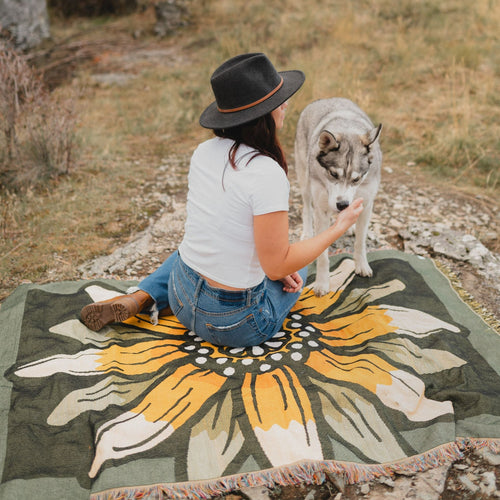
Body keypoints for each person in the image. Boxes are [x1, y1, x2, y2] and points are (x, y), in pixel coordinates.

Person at [80, 52, 364, 347]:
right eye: (278, 101)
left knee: (193, 250)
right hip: (234, 325)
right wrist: (337, 227)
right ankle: (146, 297)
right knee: (299, 263)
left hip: (181, 298)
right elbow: (277, 267)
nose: (286, 105)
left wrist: (278, 262)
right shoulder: (265, 172)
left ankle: (140, 296)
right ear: (262, 115)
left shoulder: (203, 152)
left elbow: (229, 227)